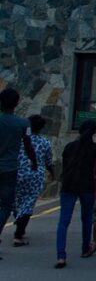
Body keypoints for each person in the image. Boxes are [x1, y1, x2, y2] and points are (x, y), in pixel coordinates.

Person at [54, 119, 96, 268]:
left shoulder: (69, 147)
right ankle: (85, 248)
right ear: (94, 132)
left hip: (68, 185)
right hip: (86, 185)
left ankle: (61, 256)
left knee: (64, 221)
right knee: (86, 218)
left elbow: (64, 167)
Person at [0, 88, 37, 262]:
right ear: (17, 103)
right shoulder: (23, 124)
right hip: (9, 169)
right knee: (5, 205)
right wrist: (34, 162)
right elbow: (28, 145)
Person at [12, 114, 55, 245]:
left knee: (16, 201)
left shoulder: (18, 140)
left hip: (17, 173)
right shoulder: (45, 142)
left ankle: (19, 224)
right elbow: (48, 161)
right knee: (28, 202)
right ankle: (19, 232)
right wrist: (52, 174)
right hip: (35, 175)